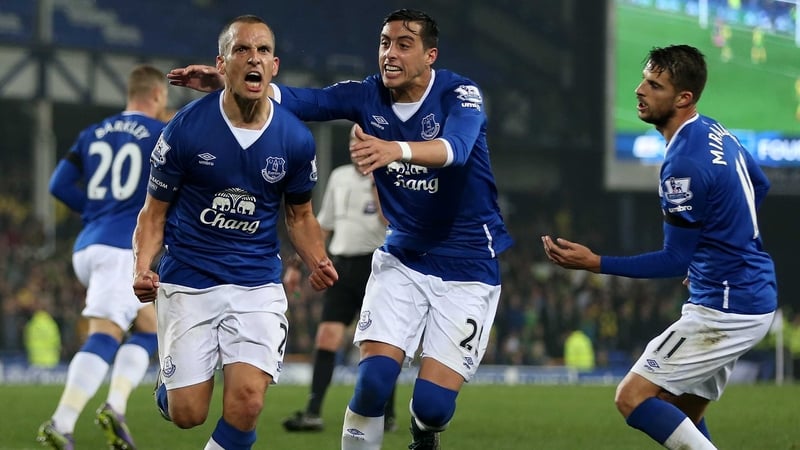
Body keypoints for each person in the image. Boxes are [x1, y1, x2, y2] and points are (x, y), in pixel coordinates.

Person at [168, 8, 513, 450]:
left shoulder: (459, 93)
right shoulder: (366, 95)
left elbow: (458, 150)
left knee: (431, 405)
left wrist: (396, 150)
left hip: (469, 265)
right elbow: (303, 100)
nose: (389, 53)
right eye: (385, 43)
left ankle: (425, 433)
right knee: (372, 382)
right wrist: (229, 82)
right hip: (403, 258)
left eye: (403, 44)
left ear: (430, 55)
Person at [542, 45, 777, 450]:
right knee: (679, 413)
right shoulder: (715, 130)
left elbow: (674, 259)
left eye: (654, 85)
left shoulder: (682, 163)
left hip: (725, 306)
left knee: (632, 398)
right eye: (644, 79)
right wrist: (719, 244)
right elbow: (760, 184)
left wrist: (595, 263)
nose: (639, 90)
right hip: (750, 292)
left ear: (683, 98)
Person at [132, 15, 337, 450]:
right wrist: (142, 267)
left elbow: (300, 216)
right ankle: (169, 388)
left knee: (247, 402)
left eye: (263, 50)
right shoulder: (185, 129)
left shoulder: (295, 139)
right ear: (221, 64)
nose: (254, 58)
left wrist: (317, 259)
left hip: (256, 282)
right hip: (189, 278)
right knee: (188, 414)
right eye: (242, 49)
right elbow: (153, 214)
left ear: (275, 66)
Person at [38, 64, 169, 450]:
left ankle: (116, 406)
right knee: (106, 333)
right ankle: (61, 423)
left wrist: (95, 212)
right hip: (119, 251)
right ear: (158, 95)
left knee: (151, 329)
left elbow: (58, 184)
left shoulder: (93, 132)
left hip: (89, 244)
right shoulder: (161, 134)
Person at [282, 125, 397, 434]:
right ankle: (313, 411)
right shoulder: (339, 177)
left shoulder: (390, 176)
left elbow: (390, 220)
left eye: (363, 143)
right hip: (342, 266)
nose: (356, 149)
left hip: (378, 266)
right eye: (352, 143)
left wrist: (379, 183)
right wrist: (298, 263)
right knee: (326, 338)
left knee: (381, 344)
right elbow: (323, 225)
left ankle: (387, 413)